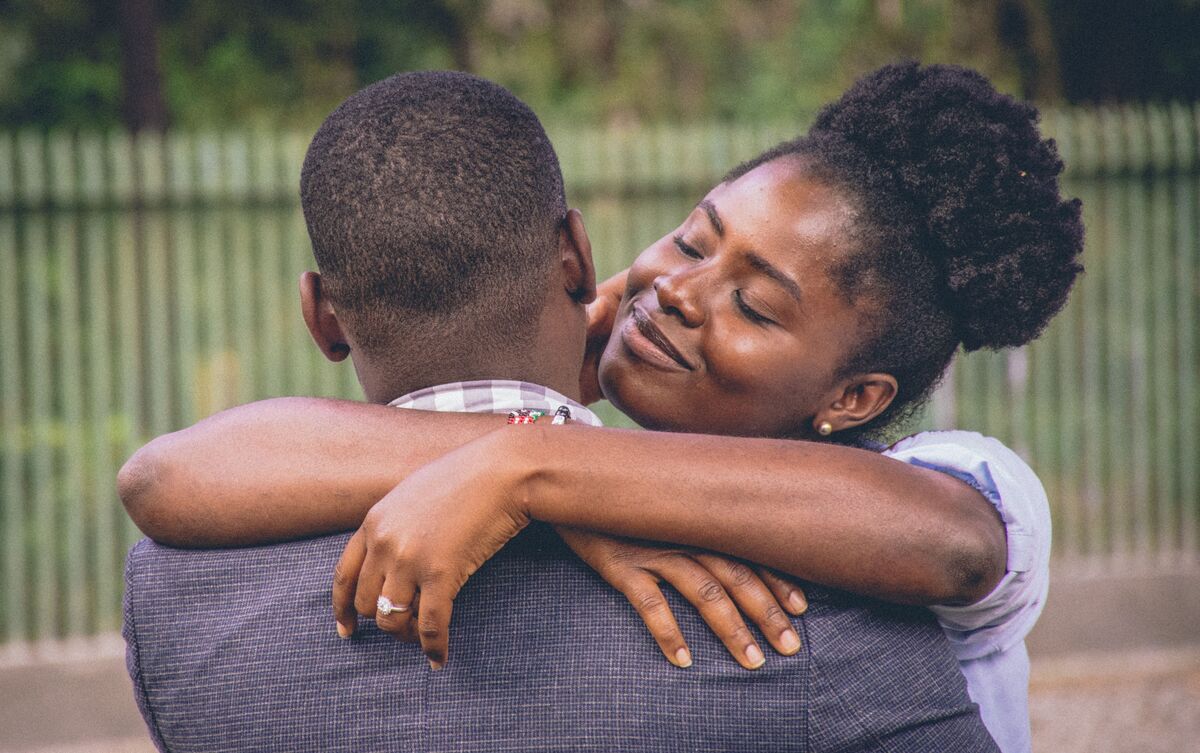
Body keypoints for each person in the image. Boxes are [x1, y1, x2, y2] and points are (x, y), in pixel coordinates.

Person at [121, 69, 999, 752]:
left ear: (321, 318)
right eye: (692, 241)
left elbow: (958, 541)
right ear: (577, 257)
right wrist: (531, 459)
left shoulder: (176, 600)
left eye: (759, 306)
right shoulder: (817, 614)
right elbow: (159, 473)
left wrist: (530, 466)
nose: (681, 292)